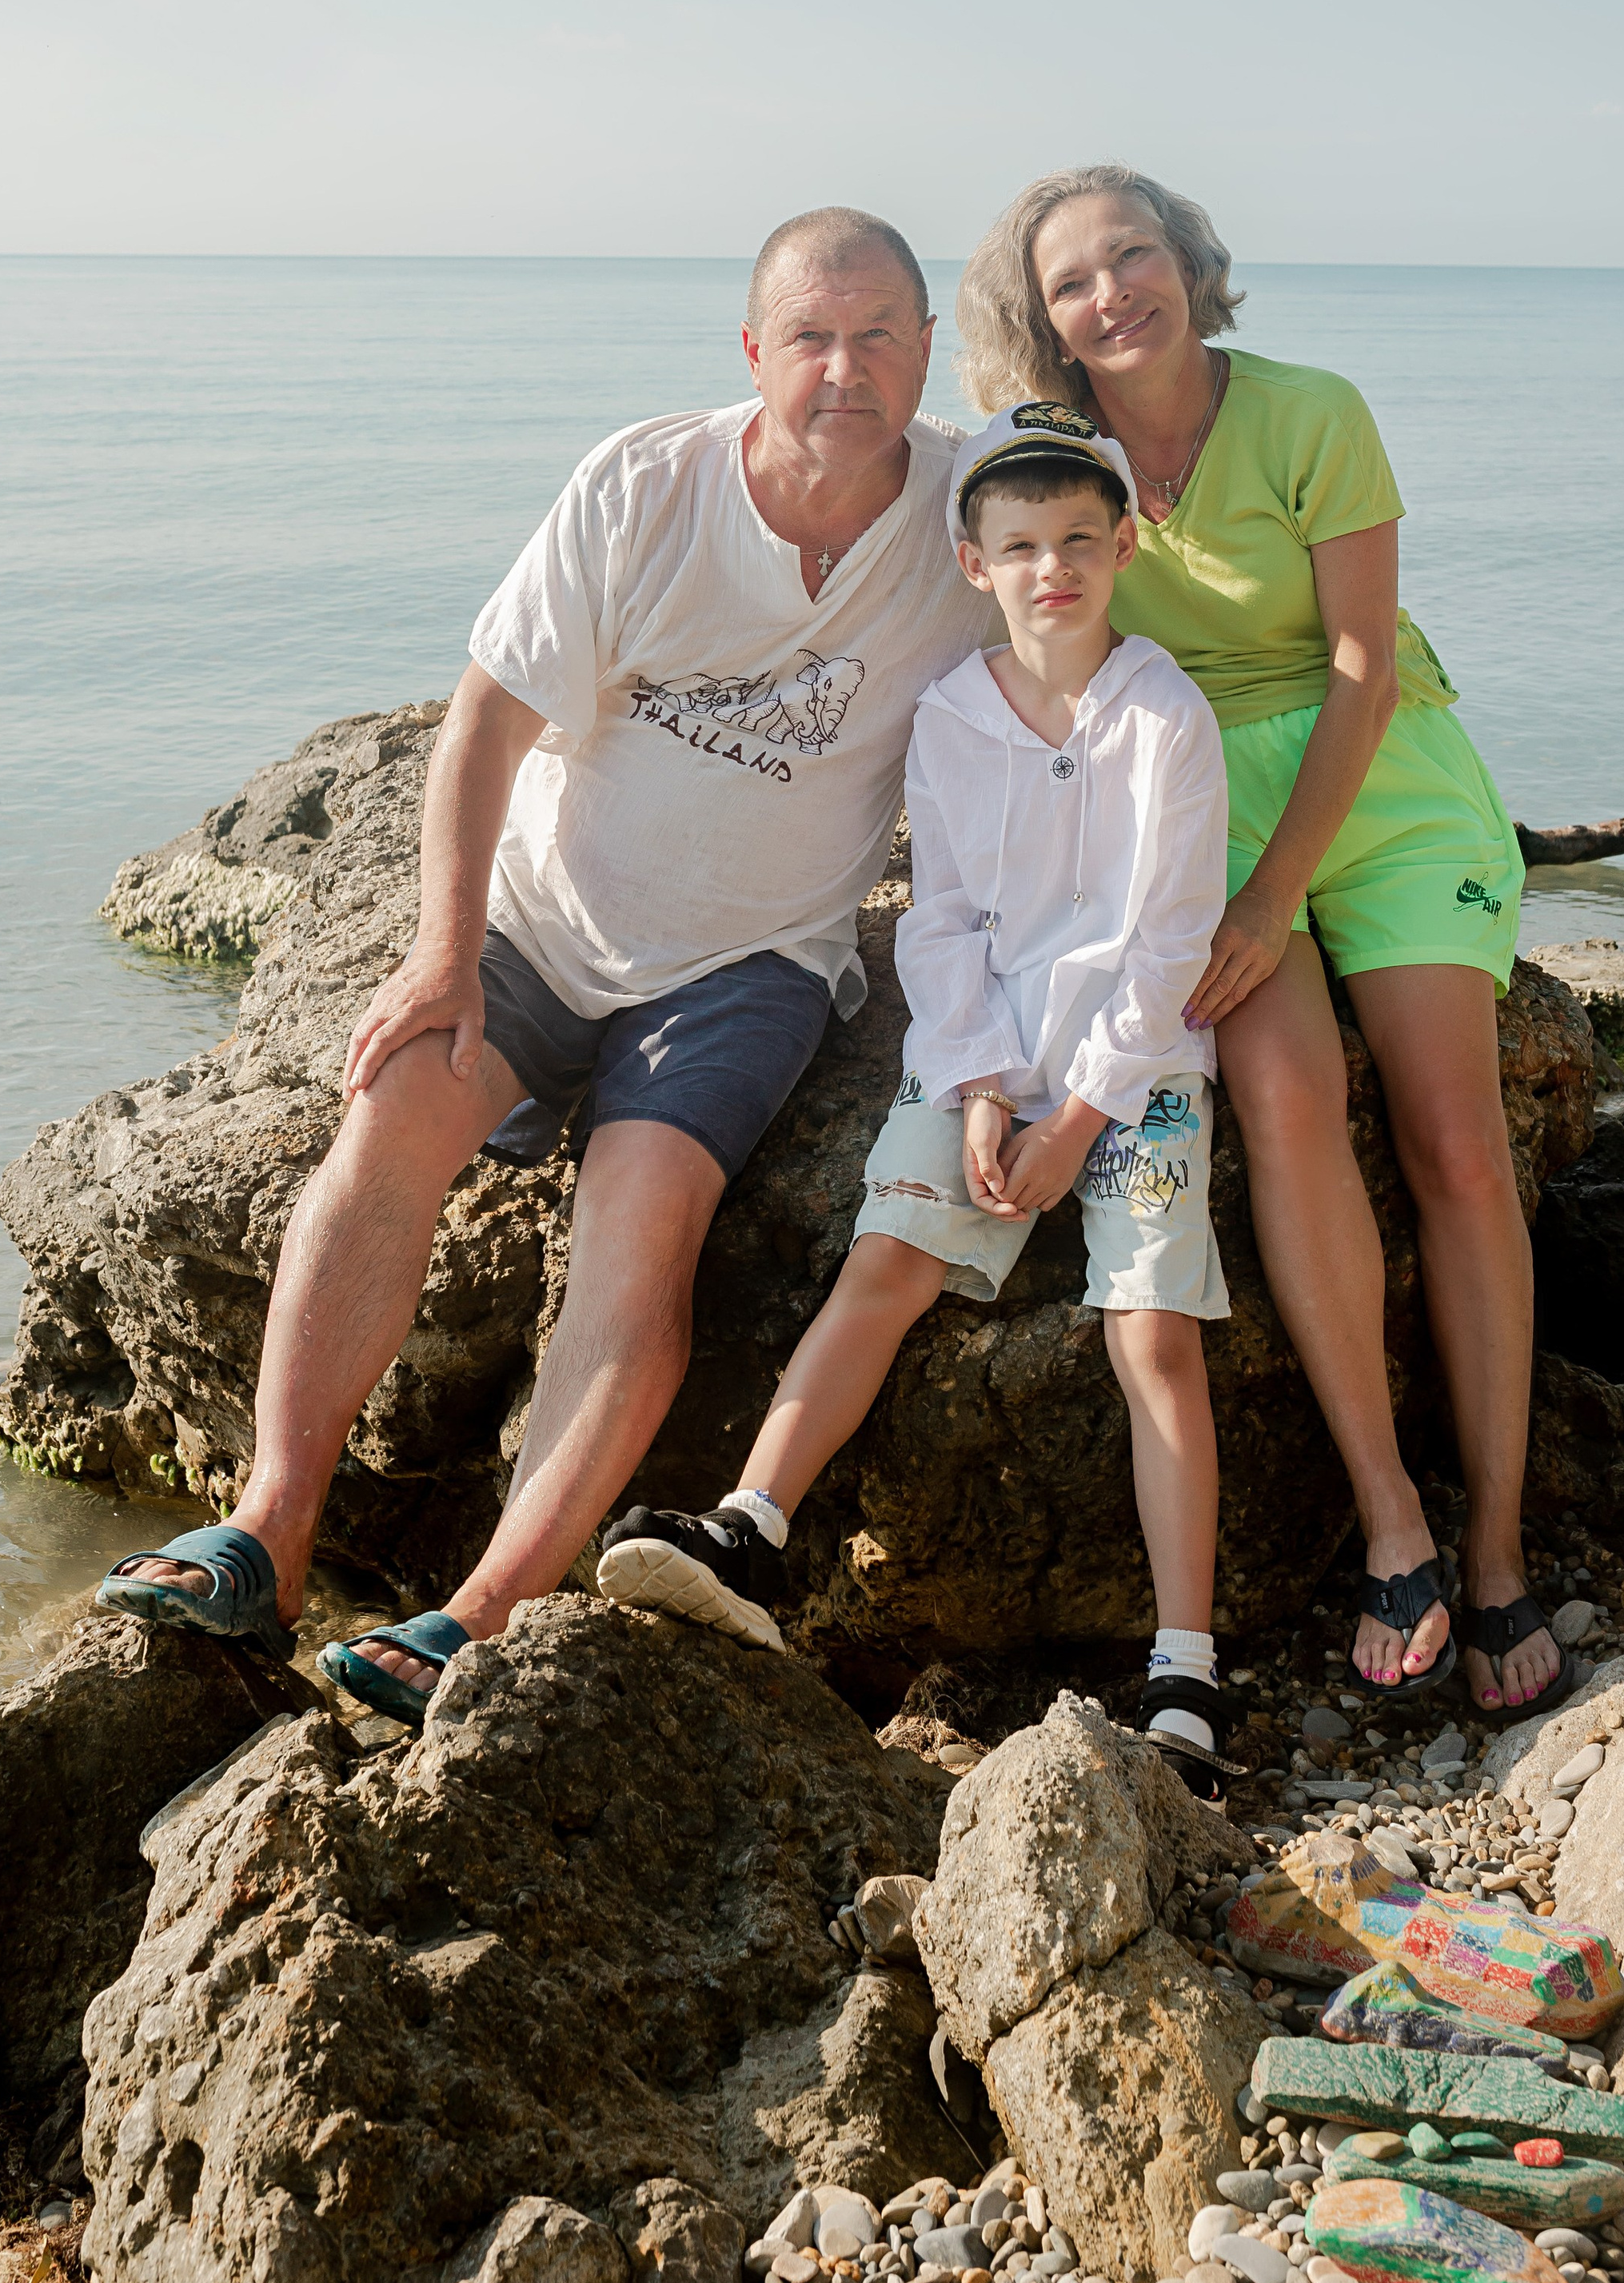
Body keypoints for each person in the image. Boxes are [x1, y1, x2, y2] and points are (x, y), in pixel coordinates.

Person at [96, 208, 996, 1724]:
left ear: (927, 346)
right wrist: (445, 953)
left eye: (879, 336)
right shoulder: (647, 484)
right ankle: (270, 1527)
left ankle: (478, 1613)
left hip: (745, 967)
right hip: (538, 928)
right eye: (810, 339)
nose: (845, 371)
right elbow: (486, 726)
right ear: (754, 350)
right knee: (389, 1121)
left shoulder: (978, 507)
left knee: (640, 1230)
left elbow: (1161, 520)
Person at [953, 166, 1571, 1725]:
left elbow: (1359, 669)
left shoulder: (1311, 410)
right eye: (1074, 280)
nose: (1113, 294)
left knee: (1452, 1141)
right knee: (1287, 1098)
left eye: (1134, 256)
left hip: (1385, 792)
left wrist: (1275, 896)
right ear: (1048, 319)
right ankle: (1391, 1519)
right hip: (1196, 798)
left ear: (1188, 265)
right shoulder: (1059, 461)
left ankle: (1495, 1550)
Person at [591, 405, 1240, 1797]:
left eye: (1079, 538)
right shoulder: (949, 718)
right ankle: (748, 1527)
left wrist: (1078, 1117)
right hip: (982, 1047)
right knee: (884, 1263)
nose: (1051, 566)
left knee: (1150, 1334)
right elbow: (938, 919)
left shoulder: (1166, 714)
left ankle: (1185, 1669)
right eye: (1020, 544)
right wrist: (985, 1085)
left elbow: (1172, 938)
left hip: (1138, 1075)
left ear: (1125, 544)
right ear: (973, 561)